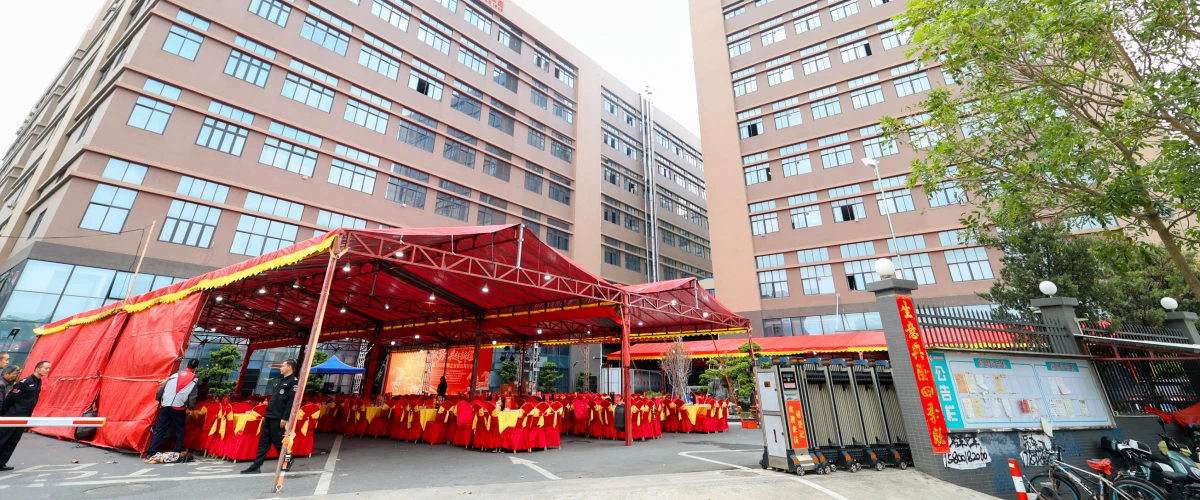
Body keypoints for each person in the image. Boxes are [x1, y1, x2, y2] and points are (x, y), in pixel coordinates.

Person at [241, 359, 299, 474]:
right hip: (270, 414)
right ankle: (256, 466)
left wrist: (285, 417)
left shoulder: (293, 382)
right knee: (264, 442)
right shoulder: (280, 381)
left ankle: (288, 459)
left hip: (278, 416)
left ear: (289, 367)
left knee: (279, 441)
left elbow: (291, 401)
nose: (280, 368)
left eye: (283, 366)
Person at [0, 360, 49, 471]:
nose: (48, 370)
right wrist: (4, 413)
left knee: (13, 440)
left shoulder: (38, 382)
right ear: (37, 369)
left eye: (49, 368)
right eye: (46, 368)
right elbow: (10, 398)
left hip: (24, 416)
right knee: (2, 438)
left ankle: (2, 462)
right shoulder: (24, 382)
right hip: (13, 415)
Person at [145, 359, 200, 457]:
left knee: (160, 430)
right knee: (179, 429)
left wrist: (160, 399)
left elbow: (161, 389)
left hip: (166, 405)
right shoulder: (193, 379)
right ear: (196, 367)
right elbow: (192, 396)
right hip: (179, 408)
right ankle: (176, 451)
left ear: (186, 365)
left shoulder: (174, 375)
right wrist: (191, 408)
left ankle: (151, 452)